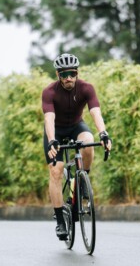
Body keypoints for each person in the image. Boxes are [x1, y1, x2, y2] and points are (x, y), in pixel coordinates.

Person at [42, 53, 112, 240]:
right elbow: (49, 118)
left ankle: (81, 182)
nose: (69, 78)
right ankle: (59, 220)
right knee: (56, 171)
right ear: (58, 75)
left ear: (77, 73)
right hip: (55, 131)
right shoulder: (49, 92)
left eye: (72, 74)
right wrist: (51, 140)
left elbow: (95, 112)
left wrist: (103, 133)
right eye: (64, 75)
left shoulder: (86, 88)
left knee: (89, 143)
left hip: (75, 126)